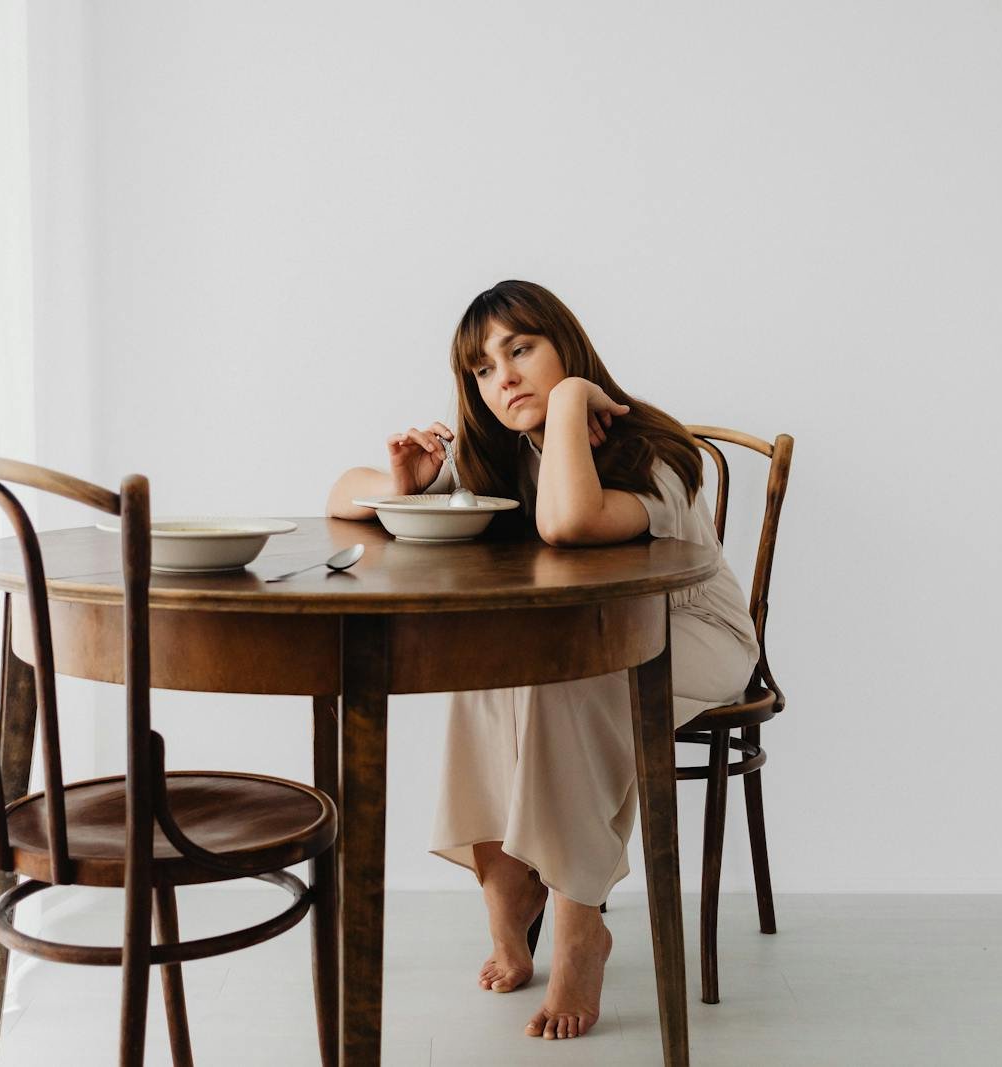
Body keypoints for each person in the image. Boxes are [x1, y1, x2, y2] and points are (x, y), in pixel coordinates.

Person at [325, 280, 759, 1040]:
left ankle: (578, 917)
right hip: (591, 636)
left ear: (568, 345)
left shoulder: (654, 454)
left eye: (520, 350)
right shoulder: (505, 459)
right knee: (488, 669)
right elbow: (339, 495)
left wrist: (568, 405)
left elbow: (566, 521)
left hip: (695, 632)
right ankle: (506, 886)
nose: (505, 379)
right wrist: (405, 488)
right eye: (484, 370)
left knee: (571, 683)